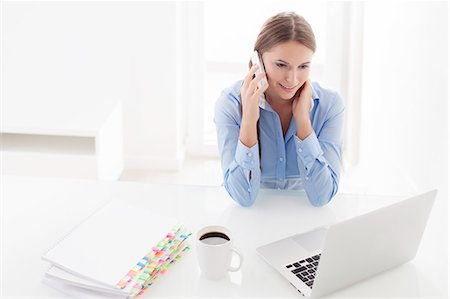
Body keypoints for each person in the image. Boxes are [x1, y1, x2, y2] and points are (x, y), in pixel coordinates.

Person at [214, 11, 345, 207]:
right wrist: (249, 120)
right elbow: (243, 197)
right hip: (255, 218)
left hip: (303, 217)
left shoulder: (329, 105)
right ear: (258, 60)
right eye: (281, 65)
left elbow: (323, 196)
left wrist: (303, 123)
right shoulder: (230, 103)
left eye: (303, 66)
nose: (292, 79)